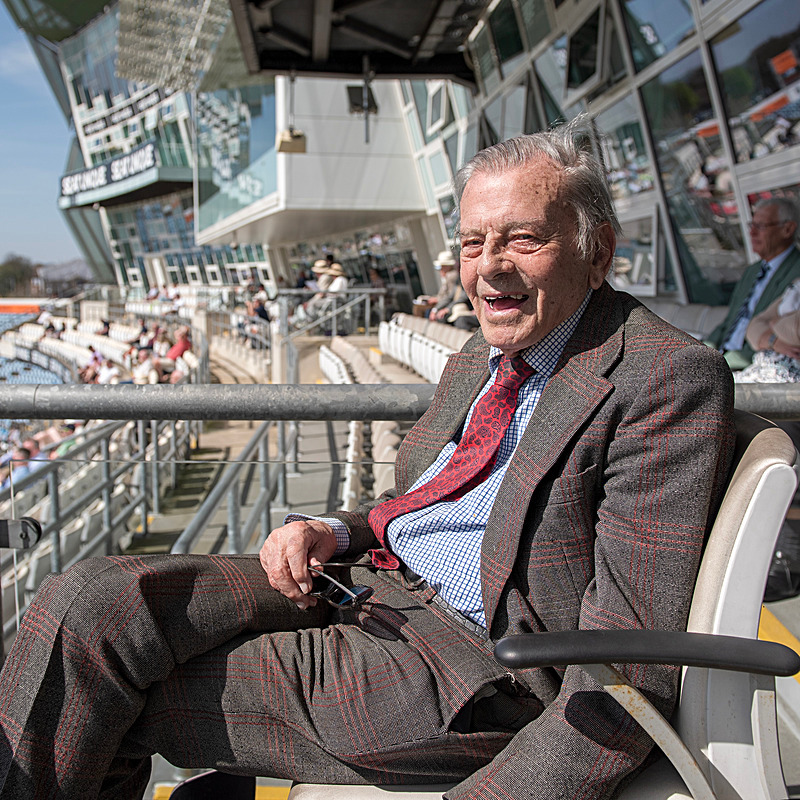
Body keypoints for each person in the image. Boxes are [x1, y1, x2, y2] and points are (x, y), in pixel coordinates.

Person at [0, 119, 735, 800]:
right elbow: (433, 503)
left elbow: (626, 665)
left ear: (598, 251)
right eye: (474, 243)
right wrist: (337, 530)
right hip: (363, 582)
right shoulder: (483, 354)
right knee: (89, 604)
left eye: (522, 240)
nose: (489, 269)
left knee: (103, 698)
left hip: (472, 669)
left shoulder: (663, 379)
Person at [705, 196, 800, 370]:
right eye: (752, 225)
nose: (752, 233)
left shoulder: (797, 271)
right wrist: (703, 351)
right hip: (722, 359)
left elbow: (777, 329)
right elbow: (729, 322)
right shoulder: (752, 271)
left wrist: (720, 365)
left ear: (787, 229)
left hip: (753, 366)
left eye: (761, 226)